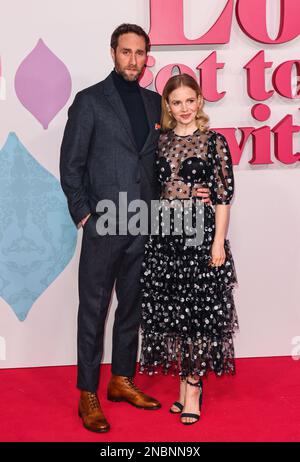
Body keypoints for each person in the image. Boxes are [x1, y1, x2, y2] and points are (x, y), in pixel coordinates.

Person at [60, 24, 213, 433]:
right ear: (113, 53)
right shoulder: (89, 101)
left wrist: (197, 187)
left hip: (146, 224)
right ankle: (87, 392)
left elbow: (168, 157)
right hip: (104, 223)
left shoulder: (153, 104)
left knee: (131, 307)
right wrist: (84, 214)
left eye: (140, 53)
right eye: (125, 52)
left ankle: (121, 380)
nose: (133, 60)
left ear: (148, 57)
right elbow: (71, 165)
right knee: (93, 311)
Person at [139, 73, 239, 425]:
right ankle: (183, 382)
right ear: (168, 105)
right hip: (165, 235)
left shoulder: (214, 142)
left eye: (189, 100)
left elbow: (224, 197)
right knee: (174, 313)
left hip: (200, 234)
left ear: (200, 101)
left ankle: (194, 387)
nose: (184, 108)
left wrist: (218, 244)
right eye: (176, 102)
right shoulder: (161, 141)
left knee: (197, 314)